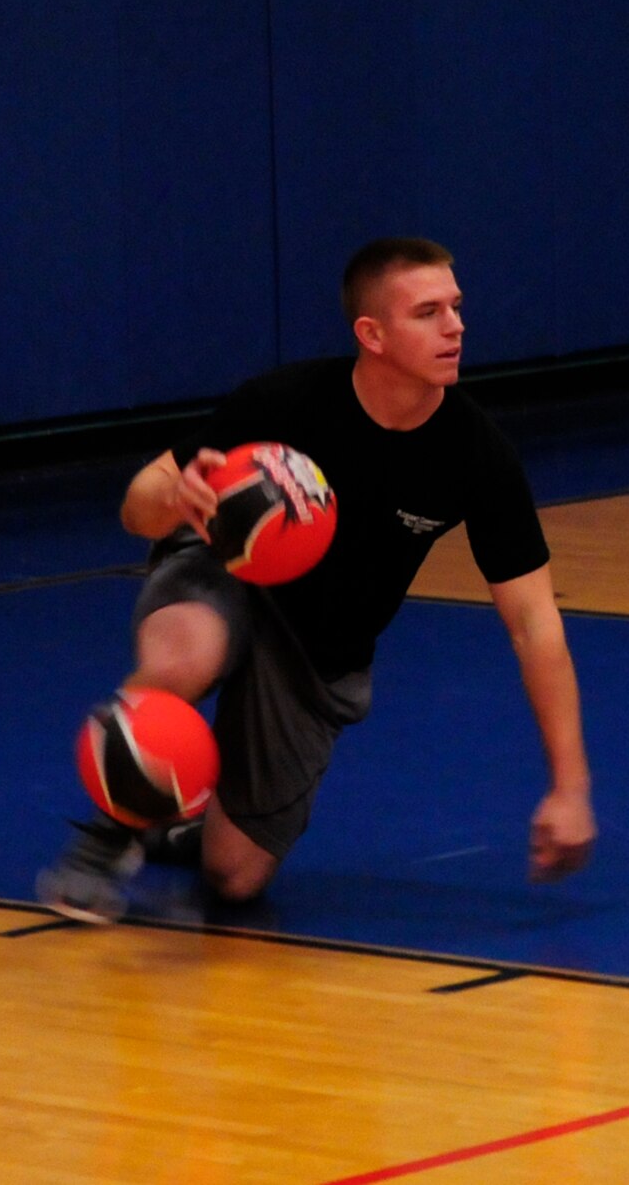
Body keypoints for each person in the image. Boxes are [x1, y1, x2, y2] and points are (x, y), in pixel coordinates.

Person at [38, 237, 596, 923]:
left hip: (319, 655)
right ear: (373, 334)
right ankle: (106, 837)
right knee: (183, 654)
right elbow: (140, 501)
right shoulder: (287, 401)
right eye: (428, 312)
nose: (455, 326)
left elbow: (533, 621)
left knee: (234, 878)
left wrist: (570, 787)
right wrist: (172, 500)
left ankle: (176, 816)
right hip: (231, 575)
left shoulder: (476, 455)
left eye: (456, 307)